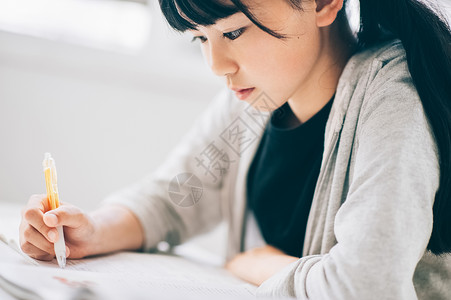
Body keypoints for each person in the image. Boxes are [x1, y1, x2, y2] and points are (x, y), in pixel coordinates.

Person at [19, 0, 451, 298]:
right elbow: (173, 199)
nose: (216, 65)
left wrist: (264, 267)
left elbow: (366, 288)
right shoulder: (257, 99)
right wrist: (91, 230)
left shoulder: (393, 98)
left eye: (234, 31)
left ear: (322, 3)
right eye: (200, 38)